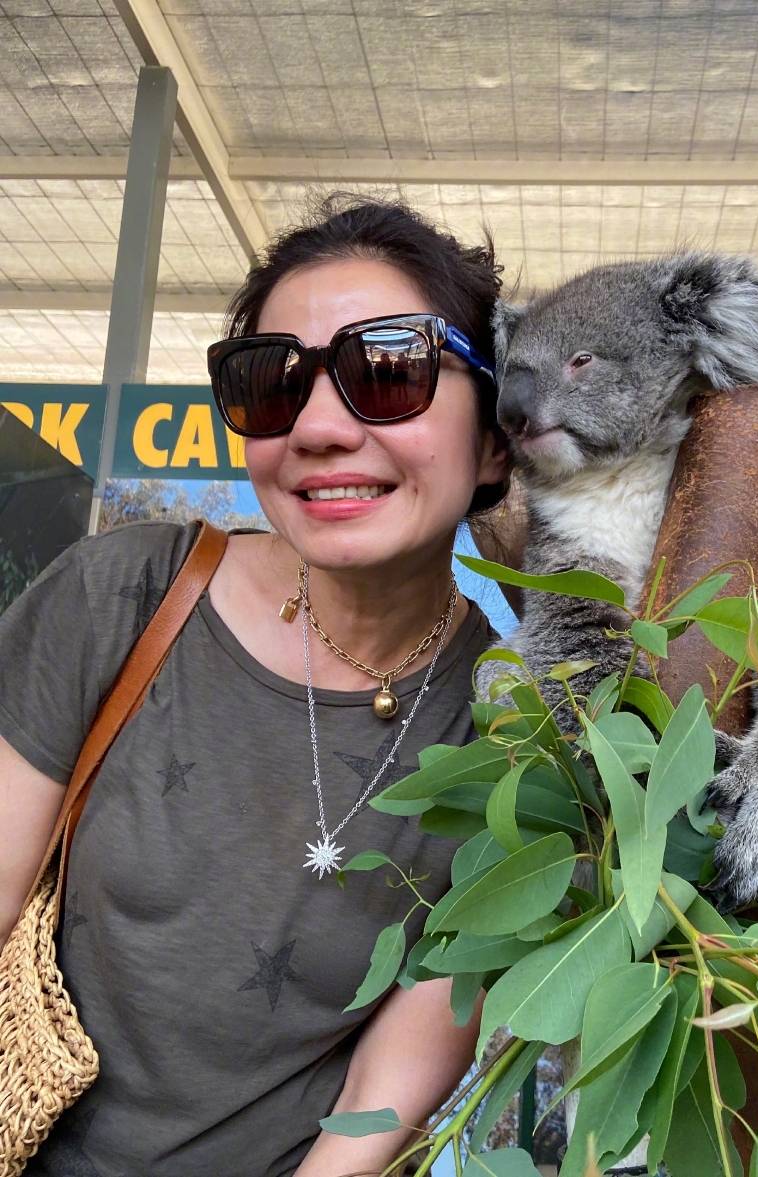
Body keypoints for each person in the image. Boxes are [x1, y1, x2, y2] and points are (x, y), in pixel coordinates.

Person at [0, 196, 510, 1176]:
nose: (315, 427)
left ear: (496, 436)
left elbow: (384, 1091)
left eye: (387, 371)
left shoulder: (511, 734)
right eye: (271, 384)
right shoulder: (121, 597)